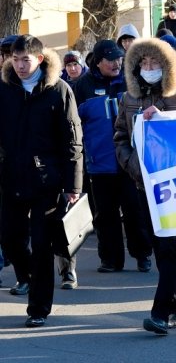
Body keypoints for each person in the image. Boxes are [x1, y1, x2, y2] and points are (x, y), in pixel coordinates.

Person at [114, 36, 176, 334]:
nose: (149, 67)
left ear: (167, 66)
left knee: (168, 247)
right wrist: (135, 167)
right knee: (160, 247)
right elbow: (120, 138)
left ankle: (160, 312)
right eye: (143, 63)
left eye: (155, 62)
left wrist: (165, 119)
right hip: (143, 185)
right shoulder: (127, 99)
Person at [0, 36, 83, 327]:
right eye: (15, 59)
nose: (20, 65)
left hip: (47, 180)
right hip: (10, 177)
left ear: (40, 59)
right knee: (9, 238)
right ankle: (29, 276)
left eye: (26, 59)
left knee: (42, 244)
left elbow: (73, 142)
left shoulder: (58, 90)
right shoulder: (5, 89)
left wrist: (73, 185)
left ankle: (38, 308)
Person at [74, 39, 152, 275]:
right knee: (105, 215)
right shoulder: (82, 86)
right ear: (98, 62)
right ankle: (110, 259)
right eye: (110, 59)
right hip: (99, 163)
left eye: (119, 58)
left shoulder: (133, 81)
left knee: (134, 211)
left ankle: (142, 255)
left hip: (129, 161)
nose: (117, 63)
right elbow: (74, 123)